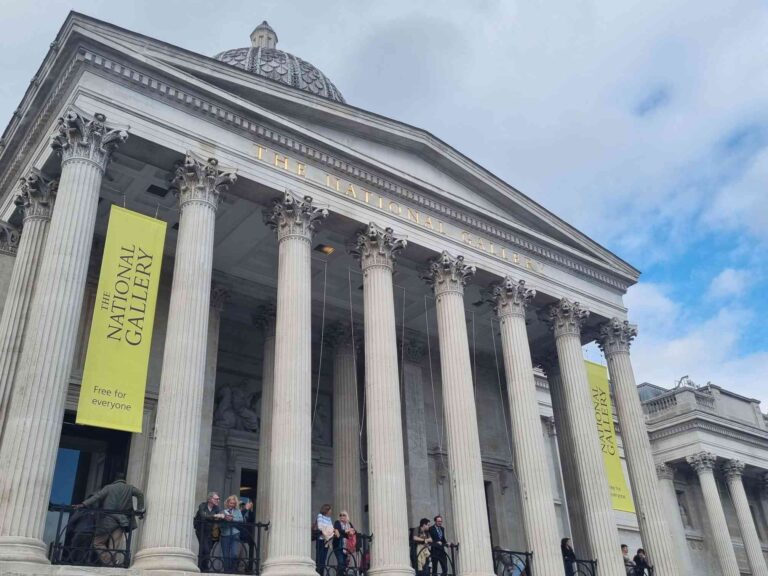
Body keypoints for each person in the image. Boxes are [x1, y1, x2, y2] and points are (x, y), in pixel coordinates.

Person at [75, 472, 144, 567]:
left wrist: (83, 504)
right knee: (114, 546)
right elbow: (140, 494)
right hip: (122, 521)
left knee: (98, 542)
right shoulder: (129, 488)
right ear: (124, 479)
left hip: (108, 520)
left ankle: (109, 562)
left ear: (115, 479)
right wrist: (140, 509)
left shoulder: (109, 488)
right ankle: (112, 563)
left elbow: (97, 497)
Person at [195, 492, 225, 572]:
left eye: (218, 499)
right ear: (210, 499)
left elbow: (222, 514)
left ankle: (201, 567)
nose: (218, 500)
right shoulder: (202, 505)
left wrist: (221, 515)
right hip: (201, 530)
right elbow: (203, 516)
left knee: (206, 550)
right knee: (206, 549)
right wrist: (214, 516)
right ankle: (205, 568)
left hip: (211, 532)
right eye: (216, 499)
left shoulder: (216, 508)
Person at [221, 495, 244, 573]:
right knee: (226, 555)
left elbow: (241, 520)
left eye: (234, 503)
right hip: (225, 534)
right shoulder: (223, 511)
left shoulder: (237, 511)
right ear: (227, 503)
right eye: (231, 503)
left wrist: (232, 519)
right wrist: (225, 520)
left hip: (235, 534)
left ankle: (233, 570)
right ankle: (227, 572)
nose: (232, 505)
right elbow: (220, 525)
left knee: (235, 554)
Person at [315, 504, 334, 574]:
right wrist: (329, 529)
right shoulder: (320, 516)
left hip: (327, 541)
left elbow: (332, 528)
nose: (331, 511)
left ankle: (321, 573)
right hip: (320, 540)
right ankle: (318, 573)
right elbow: (320, 527)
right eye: (330, 510)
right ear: (326, 510)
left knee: (323, 559)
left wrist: (327, 529)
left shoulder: (329, 518)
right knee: (319, 559)